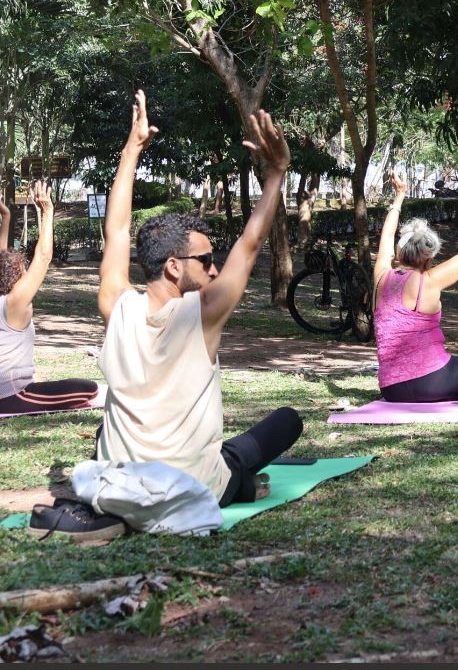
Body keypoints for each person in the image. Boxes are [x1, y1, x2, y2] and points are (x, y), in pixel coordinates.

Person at [95, 91, 303, 514]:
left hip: (120, 489)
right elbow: (250, 244)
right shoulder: (202, 314)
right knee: (286, 422)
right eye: (206, 260)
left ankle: (237, 475)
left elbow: (116, 231)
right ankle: (241, 482)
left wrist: (131, 150)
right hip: (193, 486)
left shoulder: (116, 305)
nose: (214, 269)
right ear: (173, 267)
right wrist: (278, 172)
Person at [373, 171, 458, 407]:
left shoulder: (380, 278)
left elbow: (386, 236)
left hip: (392, 389)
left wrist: (399, 196)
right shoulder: (428, 281)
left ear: (399, 253)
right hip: (434, 378)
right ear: (428, 259)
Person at [0, 182, 99, 414]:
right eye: (23, 269)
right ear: (17, 277)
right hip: (13, 395)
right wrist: (48, 211)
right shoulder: (15, 302)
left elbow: (0, 260)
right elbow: (43, 257)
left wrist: (5, 219)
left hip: (7, 392)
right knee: (89, 388)